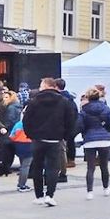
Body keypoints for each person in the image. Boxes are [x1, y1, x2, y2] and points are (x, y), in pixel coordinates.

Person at [23, 76, 75, 206]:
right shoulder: (64, 101)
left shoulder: (34, 101)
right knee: (53, 168)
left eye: (41, 85)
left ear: (46, 86)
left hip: (38, 139)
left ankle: (39, 195)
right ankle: (50, 195)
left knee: (37, 167)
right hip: (55, 139)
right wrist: (65, 136)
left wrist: (30, 134)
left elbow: (26, 120)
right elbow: (70, 121)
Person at [76, 87, 110, 199]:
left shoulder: (84, 110)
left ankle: (89, 192)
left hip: (90, 140)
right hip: (104, 139)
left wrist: (84, 133)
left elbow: (80, 125)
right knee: (104, 166)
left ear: (88, 97)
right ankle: (106, 188)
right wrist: (107, 130)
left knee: (90, 167)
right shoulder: (106, 108)